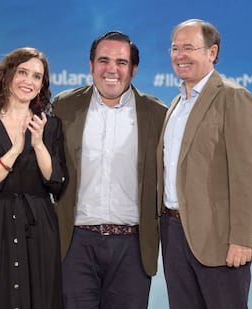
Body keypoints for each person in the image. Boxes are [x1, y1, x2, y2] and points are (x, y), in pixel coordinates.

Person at [52, 31, 167, 309]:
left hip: (133, 247)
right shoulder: (63, 107)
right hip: (74, 243)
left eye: (121, 62)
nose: (111, 69)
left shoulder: (157, 114)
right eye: (103, 60)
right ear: (91, 65)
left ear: (134, 70)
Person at [157, 19, 252, 309]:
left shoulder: (233, 98)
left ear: (212, 52)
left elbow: (249, 175)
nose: (180, 55)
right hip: (174, 233)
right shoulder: (176, 104)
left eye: (189, 48)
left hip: (220, 240)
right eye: (175, 48)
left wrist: (242, 238)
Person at [0, 47, 67, 309]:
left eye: (37, 77)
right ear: (7, 76)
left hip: (38, 226)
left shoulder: (50, 126)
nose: (29, 81)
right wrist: (15, 150)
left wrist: (38, 145)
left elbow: (56, 182)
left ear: (43, 85)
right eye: (23, 72)